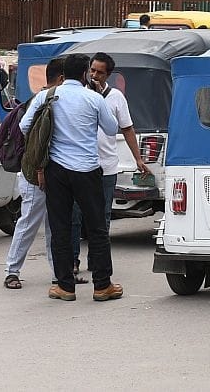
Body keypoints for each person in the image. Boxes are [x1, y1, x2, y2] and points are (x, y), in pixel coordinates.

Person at [20, 53, 123, 302]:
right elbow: (111, 129)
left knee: (60, 228)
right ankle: (102, 286)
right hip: (87, 171)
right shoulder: (93, 98)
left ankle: (65, 286)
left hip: (56, 172)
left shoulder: (47, 96)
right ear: (86, 73)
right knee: (97, 228)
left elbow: (24, 126)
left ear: (63, 74)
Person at [67, 52, 152, 275]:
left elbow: (127, 128)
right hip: (80, 166)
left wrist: (138, 158)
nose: (94, 75)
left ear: (108, 75)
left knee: (102, 216)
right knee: (75, 215)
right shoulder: (78, 94)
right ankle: (72, 260)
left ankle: (96, 260)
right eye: (91, 70)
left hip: (106, 166)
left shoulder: (116, 97)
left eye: (99, 72)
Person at [4, 58, 65, 289]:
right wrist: (40, 168)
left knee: (55, 224)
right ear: (61, 79)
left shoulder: (55, 99)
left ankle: (59, 273)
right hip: (35, 172)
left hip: (52, 171)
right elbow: (31, 135)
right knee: (29, 222)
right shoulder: (43, 100)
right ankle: (12, 270)